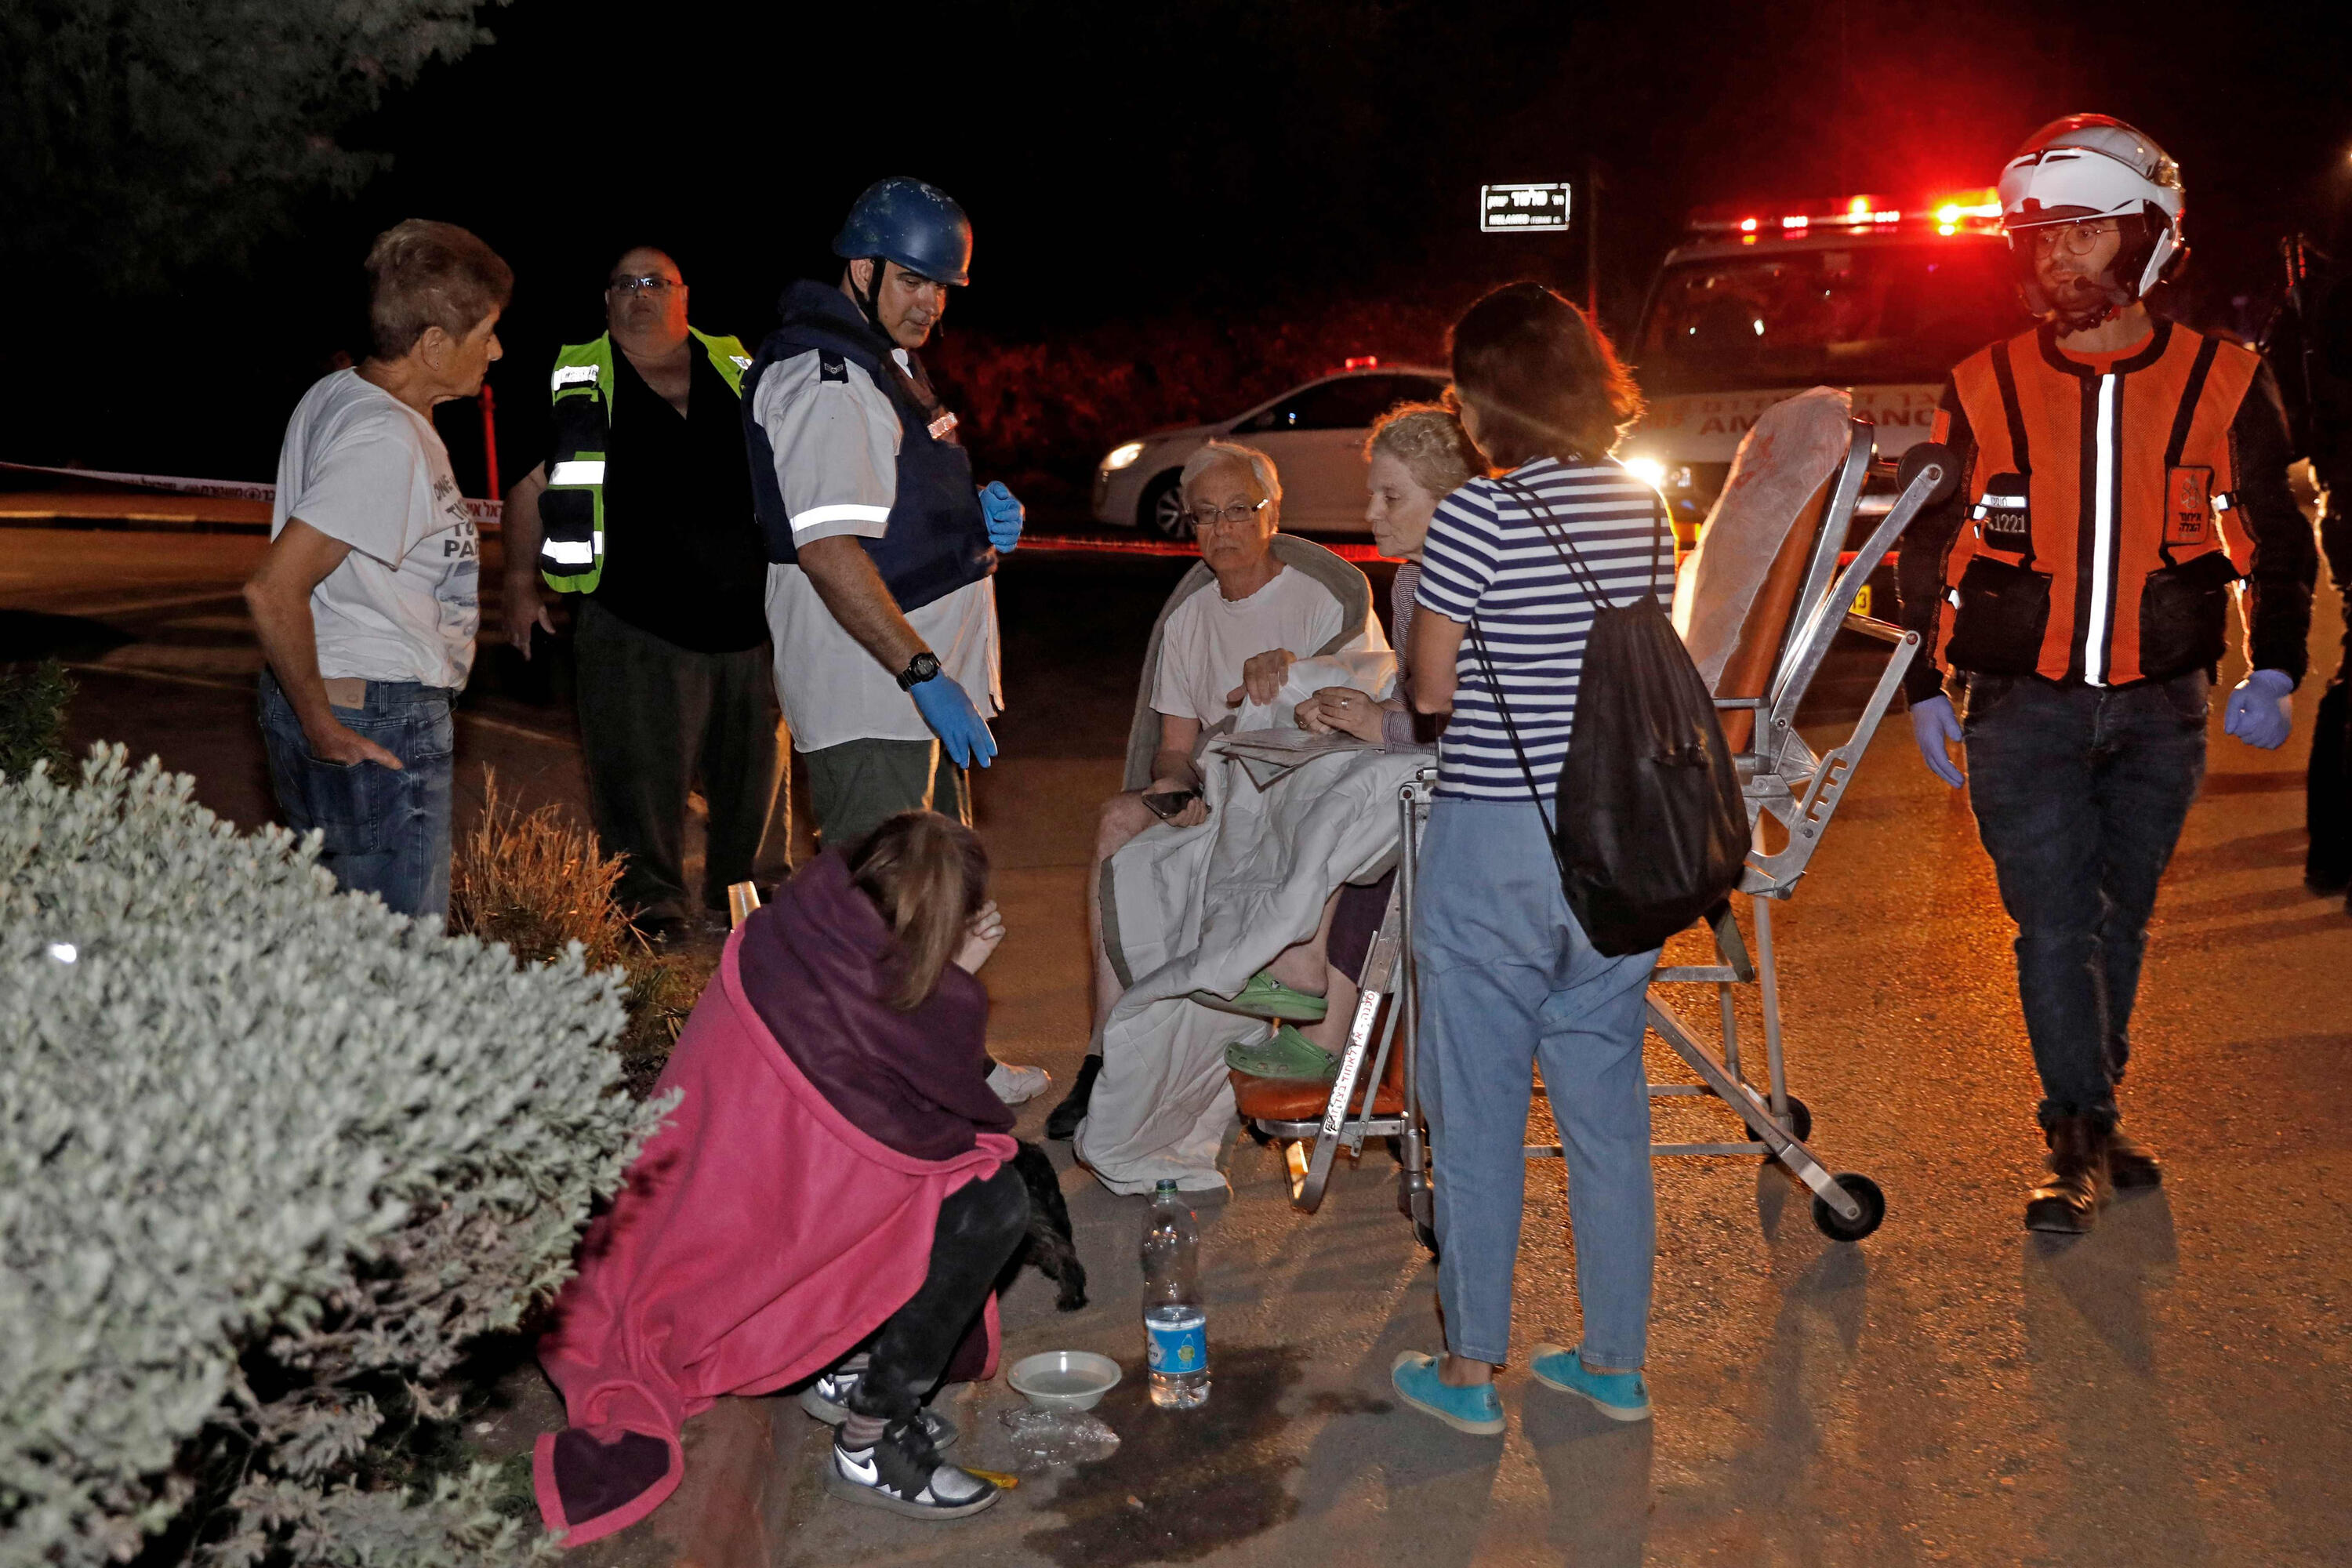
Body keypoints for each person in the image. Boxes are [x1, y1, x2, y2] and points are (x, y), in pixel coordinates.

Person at [1897, 116, 2317, 1233]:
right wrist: (1924, 687)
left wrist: (2277, 667)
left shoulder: (2227, 379)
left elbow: (2279, 534)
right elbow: (1927, 539)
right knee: (2052, 929)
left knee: (2119, 921)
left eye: (2084, 231)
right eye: (2039, 236)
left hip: (2163, 709)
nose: (2056, 257)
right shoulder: (1980, 383)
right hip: (2019, 710)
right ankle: (2073, 1136)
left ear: (2149, 240)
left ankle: (2096, 1110)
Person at [534, 811, 1026, 1537]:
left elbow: (881, 1090)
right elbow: (934, 1116)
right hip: (728, 1244)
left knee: (947, 1187)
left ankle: (837, 1360)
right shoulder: (864, 999)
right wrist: (953, 984)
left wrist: (942, 979)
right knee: (990, 1203)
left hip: (704, 1210)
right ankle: (868, 1446)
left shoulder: (790, 930)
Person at [1392, 281, 1674, 1434]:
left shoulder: (1479, 517)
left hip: (1496, 849)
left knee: (1479, 1115)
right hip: (1615, 848)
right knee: (1606, 1113)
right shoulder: (1645, 510)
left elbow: (1429, 691)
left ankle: (1471, 1377)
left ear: (1483, 401)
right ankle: (1612, 1364)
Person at [741, 177, 1046, 1105]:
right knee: (886, 913)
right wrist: (922, 672)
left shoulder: (883, 358)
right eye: (913, 279)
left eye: (943, 285)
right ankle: (881, 1101)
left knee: (936, 899)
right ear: (861, 266)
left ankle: (947, 1056)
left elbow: (891, 516)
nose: (931, 301)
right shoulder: (828, 375)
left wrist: (980, 527)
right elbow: (829, 552)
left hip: (914, 689)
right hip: (876, 691)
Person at [1040, 440, 1388, 1138]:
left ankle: (1278, 1045)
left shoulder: (1322, 600)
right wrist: (1174, 791)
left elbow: (1360, 697)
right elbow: (1175, 749)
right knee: (1116, 823)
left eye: (1239, 511)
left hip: (1299, 804)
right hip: (1217, 798)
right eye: (1206, 516)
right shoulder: (1188, 622)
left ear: (1272, 513)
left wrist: (1299, 673)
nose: (1222, 530)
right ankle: (1104, 1055)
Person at [500, 246, 785, 942]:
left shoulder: (737, 369)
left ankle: (746, 902)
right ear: (606, 302)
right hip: (634, 622)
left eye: (655, 281)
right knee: (636, 781)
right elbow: (531, 488)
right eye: (624, 284)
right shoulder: (581, 378)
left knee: (756, 784)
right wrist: (517, 583)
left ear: (685, 296)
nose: (639, 294)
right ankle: (648, 905)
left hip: (749, 624)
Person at [246, 220, 510, 922]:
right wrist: (322, 726)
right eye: (484, 333)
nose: (497, 350)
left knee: (343, 953)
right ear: (431, 346)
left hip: (350, 700)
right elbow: (274, 590)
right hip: (375, 717)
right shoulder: (386, 439)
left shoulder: (341, 395)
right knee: (395, 970)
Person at [1296, 403, 1484, 744]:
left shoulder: (1489, 586)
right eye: (1372, 494)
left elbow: (1480, 733)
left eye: (1392, 497)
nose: (1371, 513)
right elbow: (1408, 703)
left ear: (1451, 503)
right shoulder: (1409, 582)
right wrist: (1344, 713)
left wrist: (1379, 726)